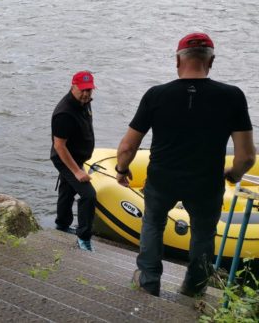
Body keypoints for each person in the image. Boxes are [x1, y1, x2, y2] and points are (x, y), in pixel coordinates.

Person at [115, 32, 256, 298]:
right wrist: (233, 174)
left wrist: (122, 170)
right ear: (211, 61)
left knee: (153, 225)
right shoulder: (232, 96)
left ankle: (149, 282)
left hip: (162, 179)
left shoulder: (156, 95)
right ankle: (193, 289)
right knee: (203, 235)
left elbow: (127, 147)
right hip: (206, 182)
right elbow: (247, 156)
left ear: (177, 61)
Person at [50, 70, 97, 252]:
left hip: (77, 155)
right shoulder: (64, 113)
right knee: (88, 195)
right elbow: (59, 146)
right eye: (83, 90)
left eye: (89, 90)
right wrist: (77, 171)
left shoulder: (84, 102)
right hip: (65, 158)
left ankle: (62, 225)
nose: (86, 94)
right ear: (73, 86)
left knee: (67, 189)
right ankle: (84, 238)